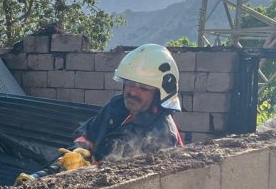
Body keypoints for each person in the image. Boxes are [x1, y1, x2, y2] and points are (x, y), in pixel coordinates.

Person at [17, 44, 184, 182]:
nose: (132, 92)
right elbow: (88, 134)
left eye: (143, 88)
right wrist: (78, 152)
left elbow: (132, 183)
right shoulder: (117, 105)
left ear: (160, 95)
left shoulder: (162, 135)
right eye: (129, 83)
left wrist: (88, 168)